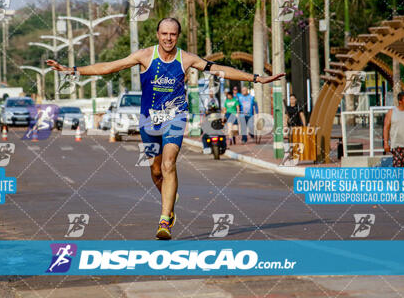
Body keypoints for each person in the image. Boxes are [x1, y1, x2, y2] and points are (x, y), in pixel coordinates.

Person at [47, 17, 284, 240]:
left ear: (178, 36)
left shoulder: (187, 59)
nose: (168, 38)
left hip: (176, 117)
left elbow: (219, 69)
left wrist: (256, 79)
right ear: (158, 35)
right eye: (164, 34)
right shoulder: (145, 56)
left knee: (170, 163)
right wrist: (72, 70)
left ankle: (164, 220)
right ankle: (169, 200)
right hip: (149, 120)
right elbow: (108, 67)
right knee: (157, 171)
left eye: (172, 34)